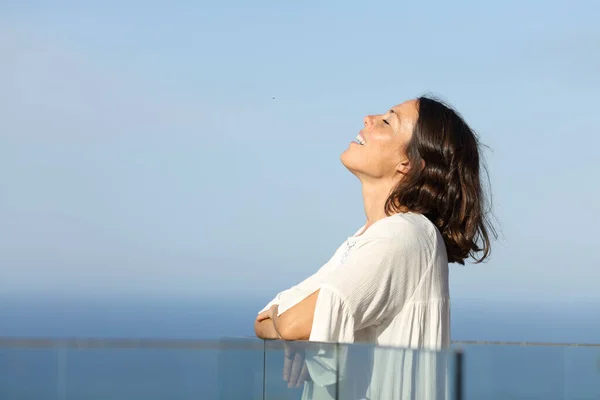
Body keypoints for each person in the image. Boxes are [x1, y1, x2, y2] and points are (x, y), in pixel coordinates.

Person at [254, 96, 495, 399]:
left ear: (406, 163)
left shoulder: (403, 236)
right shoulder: (368, 238)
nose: (368, 118)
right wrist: (293, 328)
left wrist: (296, 330)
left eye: (387, 121)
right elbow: (263, 320)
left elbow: (290, 323)